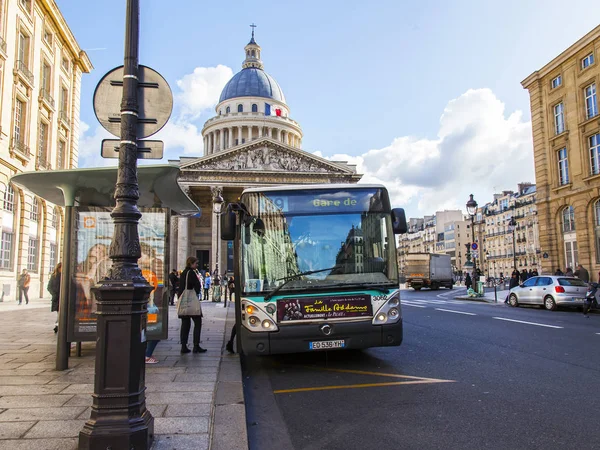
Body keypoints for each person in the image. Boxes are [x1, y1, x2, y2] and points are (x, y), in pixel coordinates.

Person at [178, 257, 207, 354]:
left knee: (185, 324)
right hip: (191, 301)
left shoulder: (183, 273)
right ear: (191, 264)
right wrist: (196, 293)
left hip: (184, 302)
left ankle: (183, 346)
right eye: (196, 263)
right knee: (198, 323)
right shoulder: (191, 273)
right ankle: (196, 345)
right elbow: (197, 285)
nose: (197, 265)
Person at [48, 263, 62, 333]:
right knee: (59, 313)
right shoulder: (54, 276)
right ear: (59, 268)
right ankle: (57, 325)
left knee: (60, 313)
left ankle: (58, 325)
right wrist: (54, 294)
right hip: (57, 298)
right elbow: (49, 287)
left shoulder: (65, 276)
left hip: (63, 298)